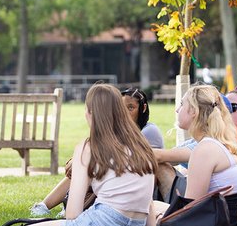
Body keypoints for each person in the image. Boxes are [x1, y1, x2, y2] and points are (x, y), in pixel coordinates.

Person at [0, 85, 155, 226]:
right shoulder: (143, 147)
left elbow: (72, 214)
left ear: (90, 113)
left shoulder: (89, 147)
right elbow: (149, 204)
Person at [30, 86, 165, 216]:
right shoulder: (118, 131)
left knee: (91, 170)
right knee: (86, 169)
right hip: (116, 180)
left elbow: (137, 160)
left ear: (143, 108)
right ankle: (46, 206)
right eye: (122, 108)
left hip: (132, 190)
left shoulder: (149, 131)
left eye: (131, 108)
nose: (125, 112)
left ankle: (65, 207)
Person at [168, 85, 237, 226]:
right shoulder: (220, 143)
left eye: (181, 105)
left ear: (193, 111)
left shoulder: (206, 148)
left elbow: (191, 208)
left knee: (152, 212)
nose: (177, 110)